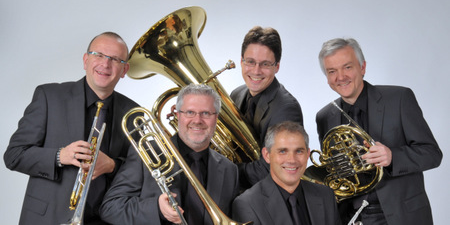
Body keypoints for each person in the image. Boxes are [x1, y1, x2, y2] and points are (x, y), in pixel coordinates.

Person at [3, 32, 140, 224]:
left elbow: (141, 172)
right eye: (98, 55)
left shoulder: (134, 113)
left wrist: (112, 165)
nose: (105, 64)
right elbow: (14, 156)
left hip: (104, 220)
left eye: (115, 59)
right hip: (46, 219)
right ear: (86, 60)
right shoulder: (49, 96)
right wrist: (60, 156)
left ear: (124, 69)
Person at [316, 37, 442, 225]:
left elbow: (432, 154)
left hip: (403, 216)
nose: (340, 77)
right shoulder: (324, 117)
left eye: (347, 67)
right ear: (327, 78)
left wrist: (393, 157)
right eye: (332, 71)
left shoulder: (399, 99)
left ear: (363, 67)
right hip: (356, 218)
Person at [99, 84, 239, 225]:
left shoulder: (230, 170)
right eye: (190, 112)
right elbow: (110, 208)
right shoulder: (146, 152)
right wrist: (157, 209)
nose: (197, 120)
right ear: (178, 116)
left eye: (206, 113)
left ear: (217, 118)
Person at [230, 26, 303, 188]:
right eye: (250, 62)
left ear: (277, 66)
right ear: (241, 61)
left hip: (266, 201)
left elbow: (271, 168)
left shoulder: (286, 108)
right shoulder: (237, 94)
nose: (256, 71)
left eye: (265, 64)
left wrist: (222, 170)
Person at [232, 121, 341, 225]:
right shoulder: (247, 204)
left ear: (307, 155)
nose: (292, 160)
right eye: (283, 151)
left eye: (299, 151)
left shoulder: (326, 195)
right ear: (267, 155)